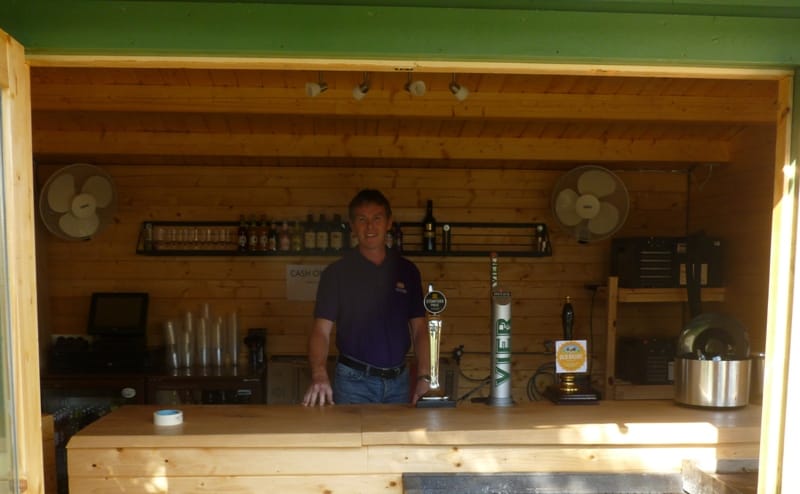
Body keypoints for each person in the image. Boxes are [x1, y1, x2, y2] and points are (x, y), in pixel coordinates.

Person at [302, 189, 431, 406]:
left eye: (377, 218)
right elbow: (321, 331)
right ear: (352, 226)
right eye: (362, 220)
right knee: (351, 441)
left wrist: (425, 377)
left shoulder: (407, 271)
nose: (370, 227)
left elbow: (420, 329)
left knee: (395, 441)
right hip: (353, 383)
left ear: (389, 222)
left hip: (399, 382)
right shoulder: (337, 273)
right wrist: (319, 374)